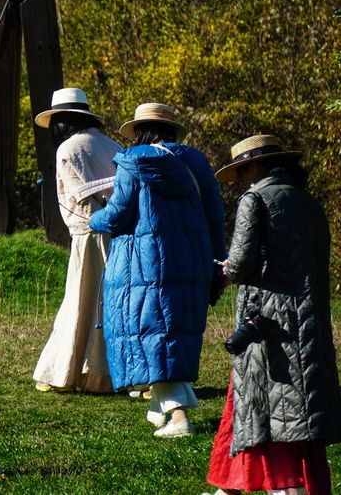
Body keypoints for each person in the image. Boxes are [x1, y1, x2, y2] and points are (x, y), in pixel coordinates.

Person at [204, 135, 341, 495]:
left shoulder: (255, 199)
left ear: (256, 166)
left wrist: (220, 272)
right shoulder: (309, 203)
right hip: (309, 318)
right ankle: (233, 487)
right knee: (298, 409)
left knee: (272, 406)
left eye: (243, 170)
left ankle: (286, 488)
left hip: (269, 319)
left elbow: (239, 264)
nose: (241, 179)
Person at [88, 103, 225, 438]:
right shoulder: (195, 162)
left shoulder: (132, 162)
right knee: (169, 333)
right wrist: (217, 261)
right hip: (191, 259)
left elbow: (119, 213)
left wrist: (95, 218)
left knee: (152, 332)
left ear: (138, 132)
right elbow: (214, 216)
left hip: (144, 261)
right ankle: (160, 410)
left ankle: (179, 419)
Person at [31, 88, 123, 393]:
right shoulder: (113, 145)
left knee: (80, 301)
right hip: (120, 233)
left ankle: (66, 373)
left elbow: (81, 195)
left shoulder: (68, 149)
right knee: (110, 303)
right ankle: (106, 376)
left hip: (89, 233)